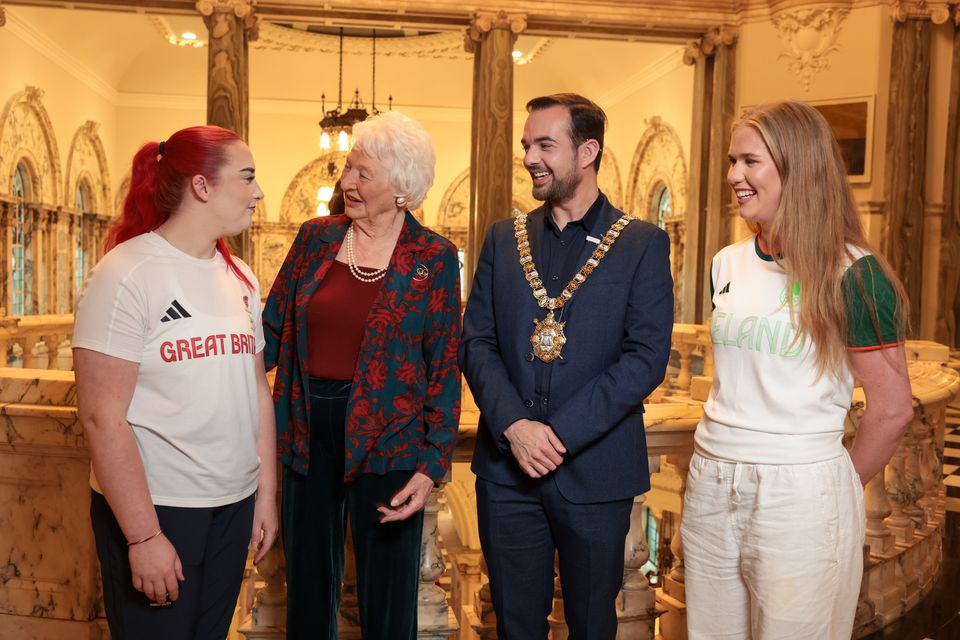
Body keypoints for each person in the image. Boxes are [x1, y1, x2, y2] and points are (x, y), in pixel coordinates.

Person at [682, 100, 914, 639]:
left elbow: (893, 410)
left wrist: (829, 485)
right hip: (712, 479)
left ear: (798, 166)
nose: (733, 176)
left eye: (749, 161)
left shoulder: (854, 274)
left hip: (801, 489)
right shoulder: (727, 262)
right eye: (732, 161)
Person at [460, 93, 674, 638]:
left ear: (588, 151)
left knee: (592, 625)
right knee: (514, 625)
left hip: (597, 472)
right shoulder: (501, 240)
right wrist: (515, 426)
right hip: (507, 473)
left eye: (545, 145)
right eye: (527, 145)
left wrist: (554, 434)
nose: (531, 157)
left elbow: (645, 359)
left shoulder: (643, 244)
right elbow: (476, 342)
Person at [72, 125, 278, 640]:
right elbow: (102, 416)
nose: (258, 193)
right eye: (248, 178)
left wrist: (265, 496)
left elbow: (255, 390)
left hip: (232, 505)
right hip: (159, 509)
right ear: (202, 186)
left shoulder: (242, 277)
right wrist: (143, 536)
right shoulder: (125, 274)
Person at [263, 110, 461, 639]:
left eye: (363, 174)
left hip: (390, 439)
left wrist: (431, 464)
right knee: (307, 591)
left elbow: (443, 366)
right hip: (307, 431)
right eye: (348, 168)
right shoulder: (315, 239)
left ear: (400, 189)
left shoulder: (434, 257)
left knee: (389, 601)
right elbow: (268, 331)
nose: (346, 182)